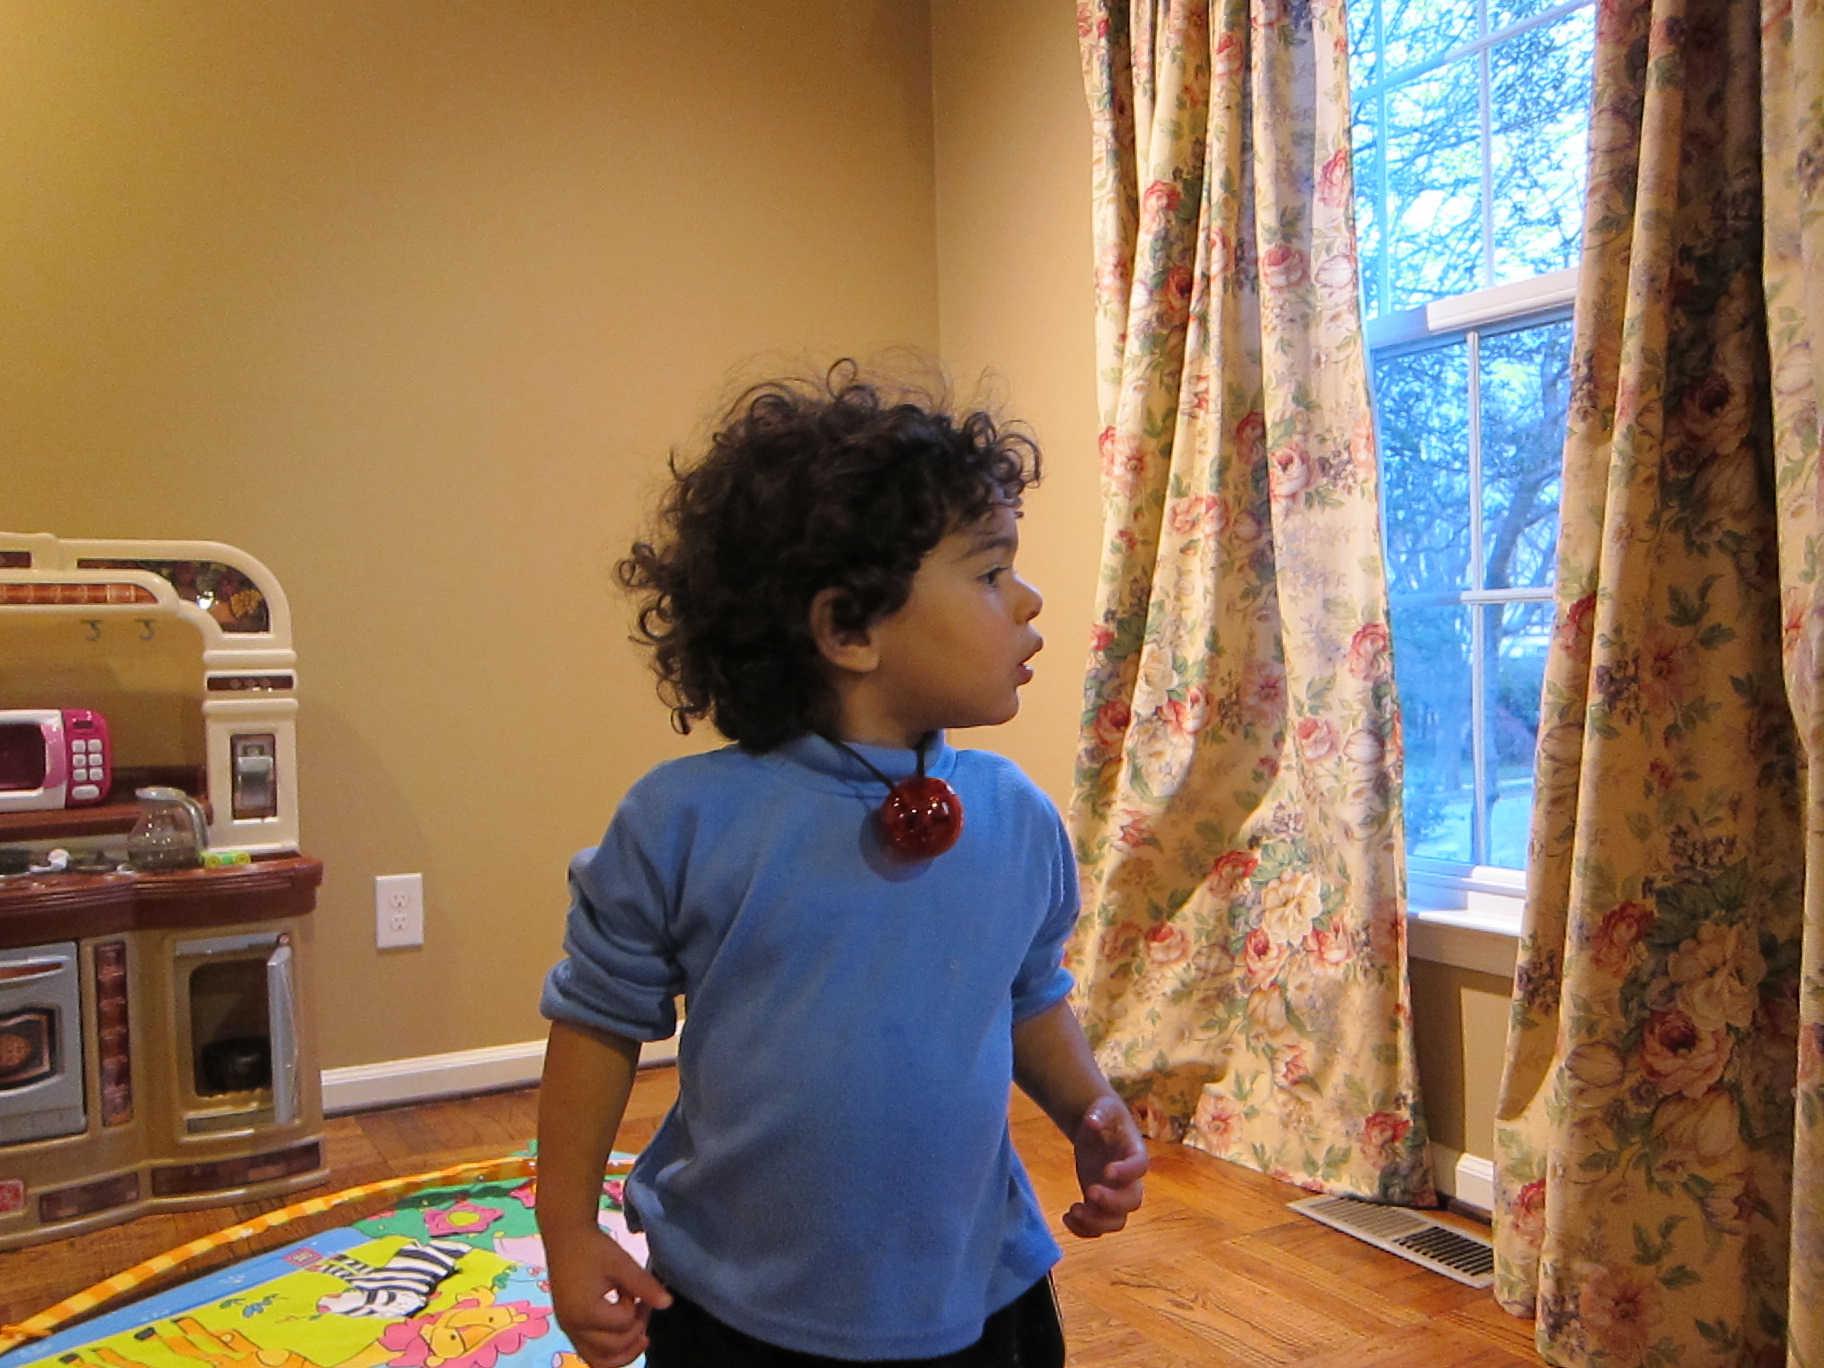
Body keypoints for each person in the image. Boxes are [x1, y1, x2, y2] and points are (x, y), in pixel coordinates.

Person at [536, 364, 1147, 1368]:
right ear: (850, 628)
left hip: (975, 1288)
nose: (1029, 598)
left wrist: (1088, 1106)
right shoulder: (681, 822)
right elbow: (598, 1020)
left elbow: (1028, 993)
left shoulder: (1017, 816)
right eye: (990, 573)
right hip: (734, 1302)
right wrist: (567, 1227)